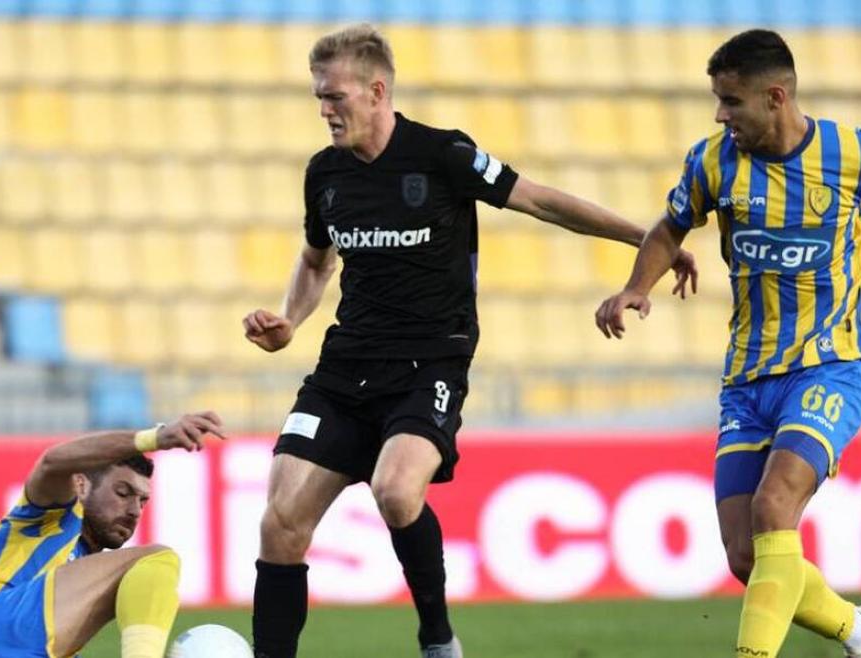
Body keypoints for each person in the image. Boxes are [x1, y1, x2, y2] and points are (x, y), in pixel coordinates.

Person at [241, 23, 697, 658]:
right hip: (344, 368)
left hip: (429, 361)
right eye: (318, 96)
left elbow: (541, 201)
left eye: (334, 96)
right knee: (280, 523)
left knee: (396, 490)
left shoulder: (443, 155)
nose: (324, 110)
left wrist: (649, 239)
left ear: (377, 92)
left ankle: (437, 636)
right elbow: (317, 261)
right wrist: (291, 321)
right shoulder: (325, 174)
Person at [595, 29, 861, 658]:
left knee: (774, 504)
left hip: (828, 366)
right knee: (746, 556)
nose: (719, 115)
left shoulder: (851, 154)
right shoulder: (712, 162)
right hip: (747, 380)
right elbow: (670, 227)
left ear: (775, 97)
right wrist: (636, 287)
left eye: (731, 101)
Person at [0, 411, 226, 658]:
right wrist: (153, 438)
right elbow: (52, 462)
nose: (135, 510)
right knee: (157, 560)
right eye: (123, 493)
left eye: (143, 501)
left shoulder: (77, 595)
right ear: (81, 485)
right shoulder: (53, 515)